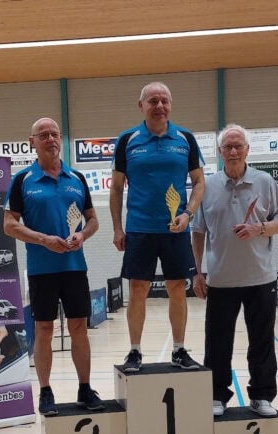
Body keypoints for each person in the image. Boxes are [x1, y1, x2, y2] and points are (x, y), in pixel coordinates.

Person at [4, 117, 104, 416]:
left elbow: (93, 220)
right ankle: (46, 392)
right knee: (44, 329)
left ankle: (85, 388)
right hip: (41, 269)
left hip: (74, 267)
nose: (50, 139)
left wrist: (82, 235)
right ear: (32, 142)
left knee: (78, 327)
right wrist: (43, 239)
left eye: (54, 134)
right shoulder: (22, 180)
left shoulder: (77, 178)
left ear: (61, 139)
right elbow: (9, 225)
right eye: (43, 134)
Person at [190, 123, 278, 417]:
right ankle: (217, 396)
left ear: (247, 150)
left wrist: (260, 228)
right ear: (220, 152)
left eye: (238, 146)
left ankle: (262, 396)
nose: (233, 151)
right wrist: (197, 272)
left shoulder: (265, 181)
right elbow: (198, 232)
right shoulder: (207, 186)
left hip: (261, 278)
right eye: (227, 147)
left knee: (262, 342)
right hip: (221, 280)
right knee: (217, 344)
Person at [110, 82, 206, 372]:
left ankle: (179, 349)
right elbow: (116, 188)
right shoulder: (127, 140)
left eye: (165, 100)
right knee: (138, 288)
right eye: (153, 101)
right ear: (141, 105)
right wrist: (118, 228)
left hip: (176, 229)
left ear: (171, 105)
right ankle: (135, 351)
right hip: (139, 228)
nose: (159, 106)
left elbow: (199, 182)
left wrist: (188, 214)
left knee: (177, 287)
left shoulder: (185, 139)